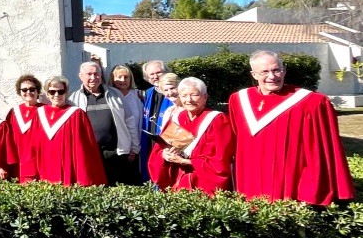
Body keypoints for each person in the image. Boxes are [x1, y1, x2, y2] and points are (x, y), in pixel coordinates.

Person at [228, 50, 355, 205]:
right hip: (250, 181)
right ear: (254, 75)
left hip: (289, 183)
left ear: (284, 71)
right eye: (264, 72)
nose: (272, 76)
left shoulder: (310, 103)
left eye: (276, 70)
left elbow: (321, 150)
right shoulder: (238, 100)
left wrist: (312, 189)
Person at [147, 77, 234, 194]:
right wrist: (165, 155)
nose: (189, 100)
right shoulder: (177, 119)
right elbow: (159, 150)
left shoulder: (217, 120)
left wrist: (185, 161)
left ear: (205, 97)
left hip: (202, 184)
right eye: (184, 96)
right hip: (177, 182)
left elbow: (220, 159)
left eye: (194, 95)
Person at [69, 61, 138, 186]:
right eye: (89, 74)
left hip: (115, 153)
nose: (93, 78)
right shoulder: (74, 99)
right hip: (89, 154)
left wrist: (135, 146)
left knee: (117, 189)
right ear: (80, 76)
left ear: (101, 75)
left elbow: (129, 120)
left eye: (96, 74)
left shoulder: (115, 94)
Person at [34, 76, 108, 187]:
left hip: (68, 165)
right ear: (47, 94)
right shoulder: (39, 114)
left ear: (66, 93)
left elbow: (85, 149)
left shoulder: (76, 114)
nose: (56, 95)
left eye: (61, 91)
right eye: (52, 92)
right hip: (46, 164)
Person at [5, 75, 42, 182]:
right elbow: (6, 140)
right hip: (17, 164)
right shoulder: (13, 113)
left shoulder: (45, 111)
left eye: (32, 89)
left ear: (38, 91)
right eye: (24, 90)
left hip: (39, 163)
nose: (28, 92)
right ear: (20, 92)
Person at [139, 60, 170, 180]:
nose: (155, 76)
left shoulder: (174, 91)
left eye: (159, 72)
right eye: (151, 74)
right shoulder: (148, 93)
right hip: (150, 140)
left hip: (167, 141)